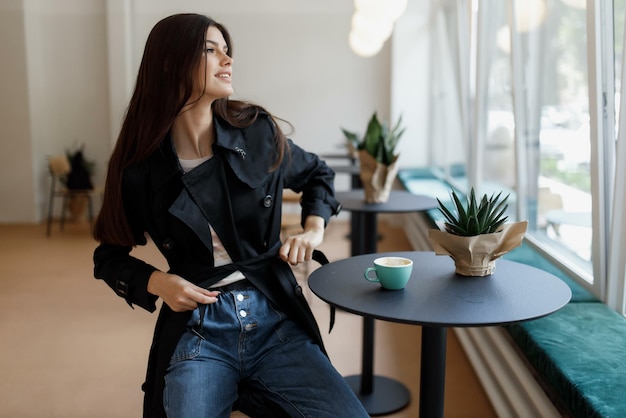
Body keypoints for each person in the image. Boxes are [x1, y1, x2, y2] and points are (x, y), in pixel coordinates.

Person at [92, 13, 369, 418]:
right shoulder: (140, 169)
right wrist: (158, 282)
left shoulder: (256, 132)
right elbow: (108, 258)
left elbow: (317, 174)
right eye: (211, 49)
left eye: (227, 49)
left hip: (274, 317)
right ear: (169, 63)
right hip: (200, 328)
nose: (227, 59)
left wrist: (313, 229)